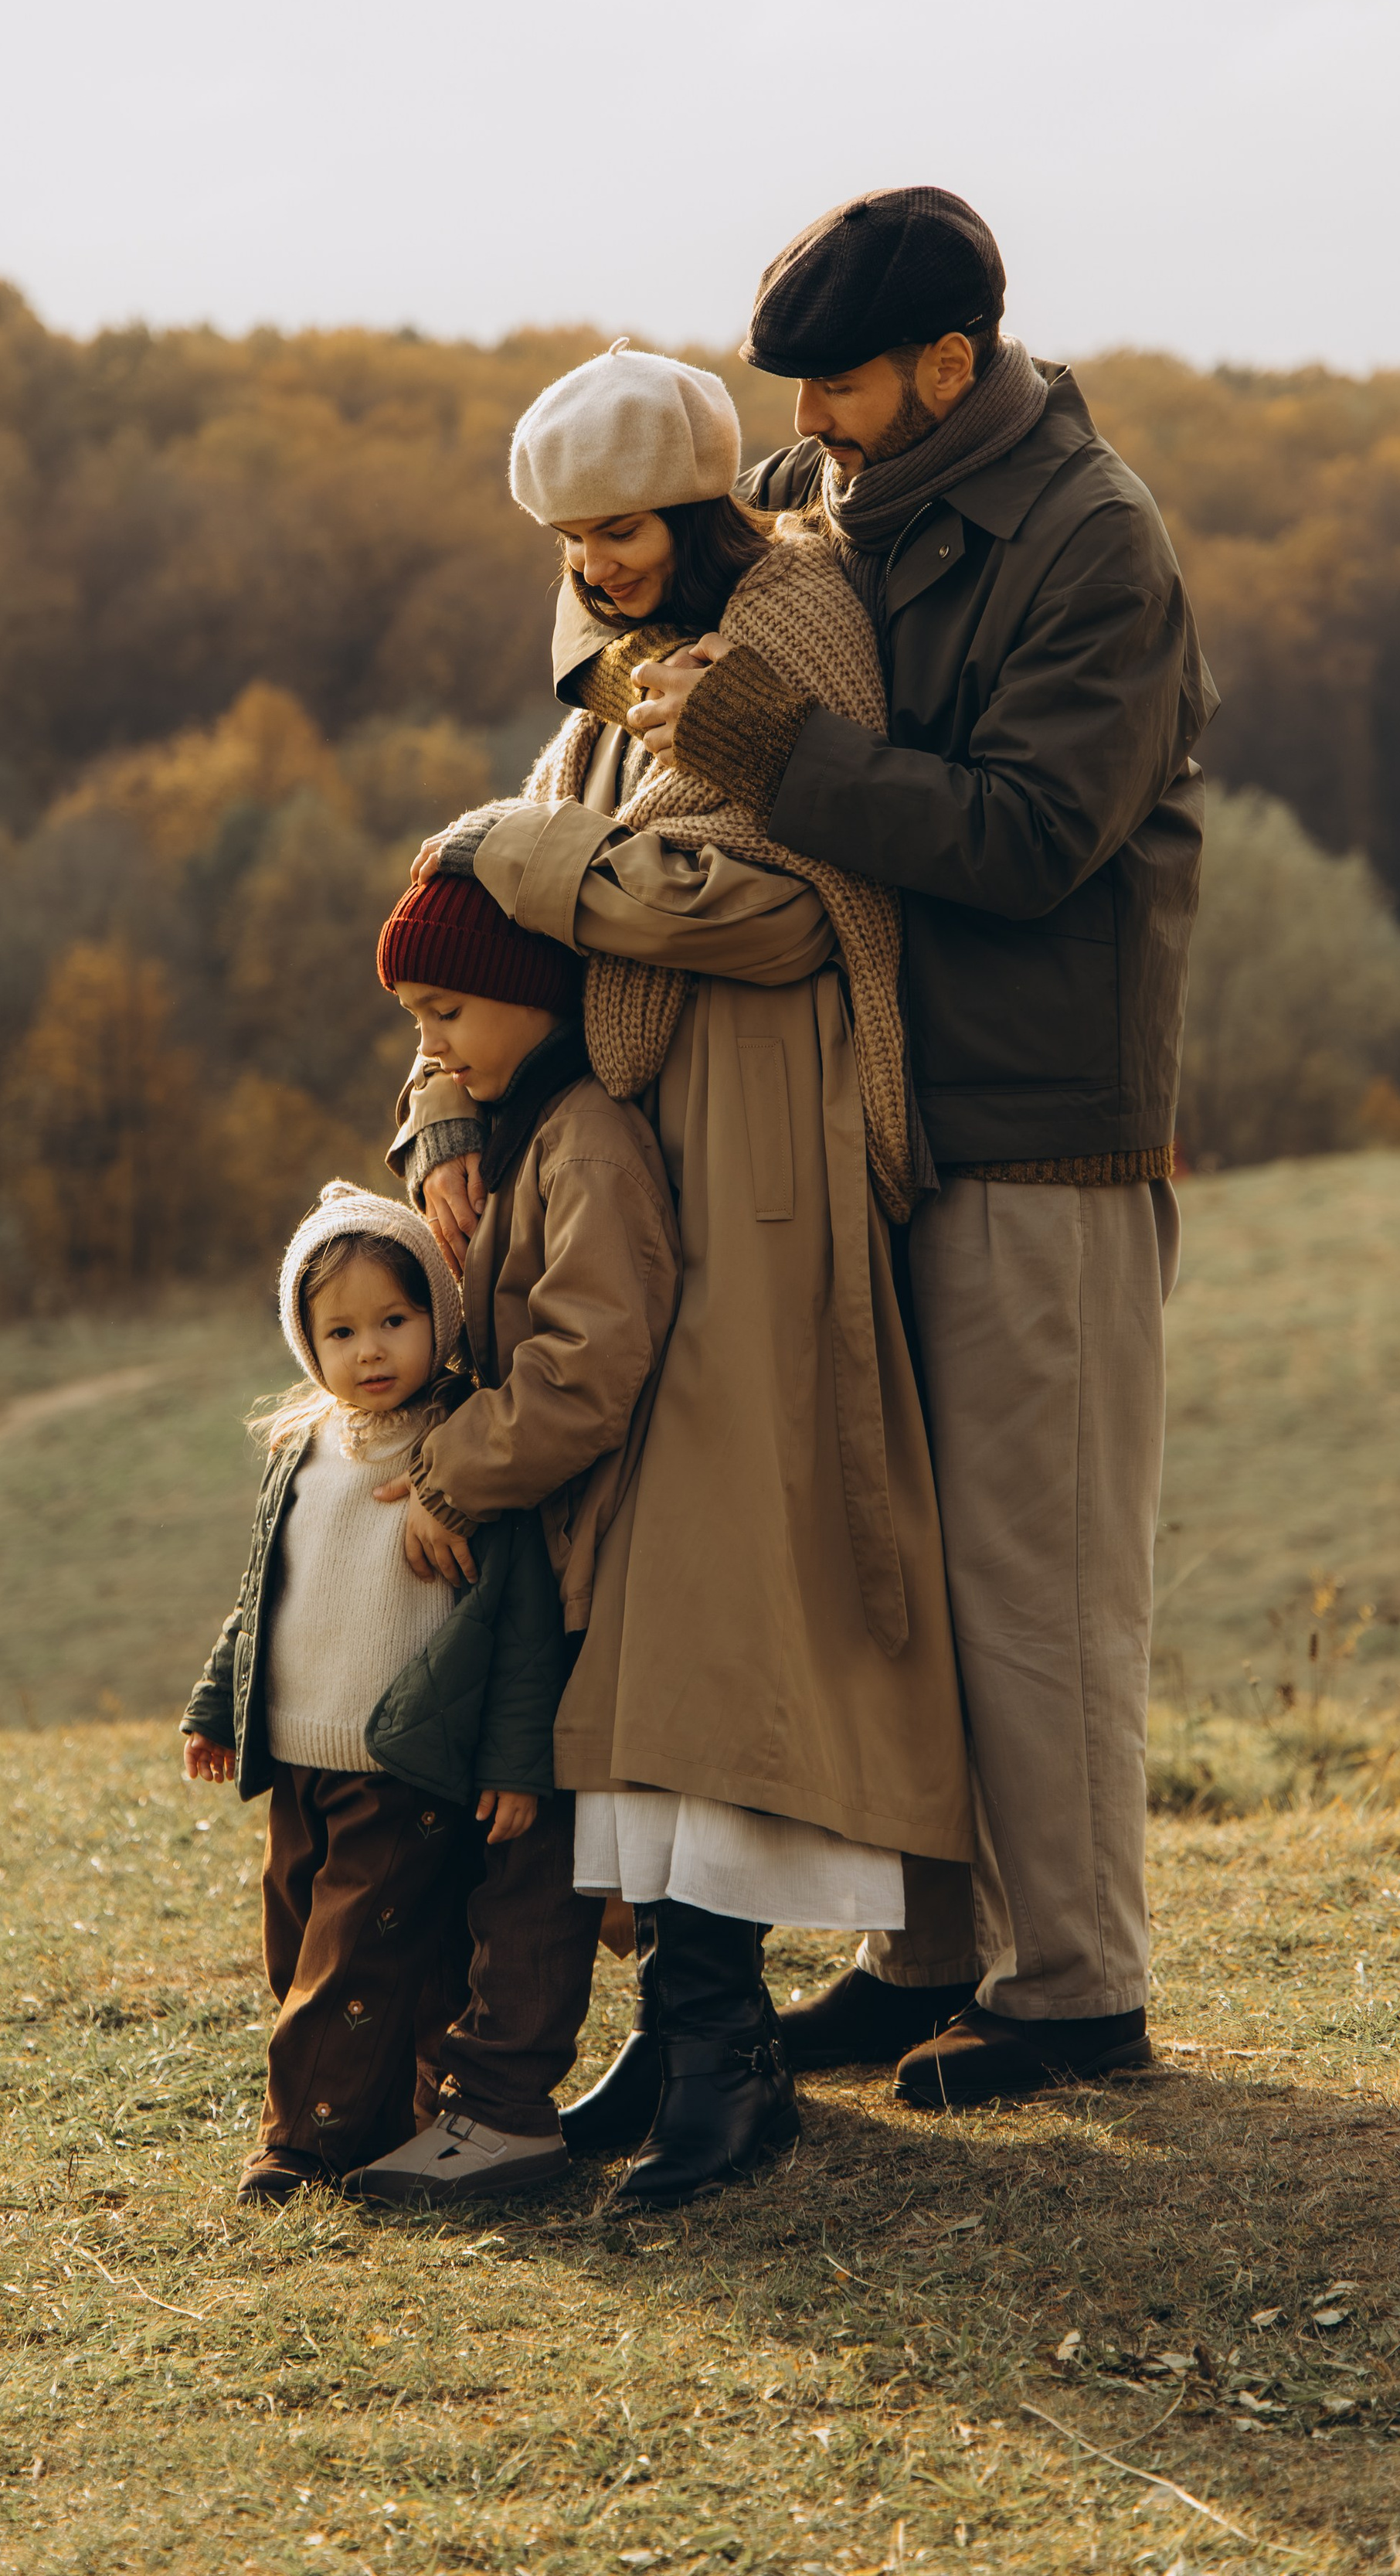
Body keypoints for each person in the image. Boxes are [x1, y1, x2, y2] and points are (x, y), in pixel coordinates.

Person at [610, 188, 1218, 2108]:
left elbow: (1037, 835)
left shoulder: (1095, 547)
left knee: (1031, 1583)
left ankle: (1073, 1991)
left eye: (846, 386)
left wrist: (767, 750)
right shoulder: (840, 481)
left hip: (1039, 1133)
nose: (814, 425)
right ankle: (924, 1952)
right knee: (902, 1563)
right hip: (877, 1113)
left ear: (949, 364)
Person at [400, 343, 972, 2209]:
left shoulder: (796, 625)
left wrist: (532, 853)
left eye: (626, 528)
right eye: (569, 536)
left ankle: (730, 2046)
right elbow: (485, 910)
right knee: (635, 1597)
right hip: (642, 1164)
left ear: (704, 507)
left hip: (769, 1160)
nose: (598, 562)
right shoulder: (598, 663)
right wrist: (446, 1111)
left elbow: (785, 902)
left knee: (722, 1586)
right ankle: (687, 2023)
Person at [356, 872, 683, 2202]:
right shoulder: (510, 1128)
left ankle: (504, 2110)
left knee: (530, 1841)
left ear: (535, 996)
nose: (427, 1046)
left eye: (447, 1011)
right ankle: (461, 2085)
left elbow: (588, 1361)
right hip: (523, 1550)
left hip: (574, 1548)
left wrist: (448, 1477)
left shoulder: (588, 1139)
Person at [182, 1186, 573, 2204]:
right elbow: (265, 1591)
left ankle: (300, 2146)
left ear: (436, 1317)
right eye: (341, 1330)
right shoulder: (304, 1449)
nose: (370, 1350)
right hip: (300, 1755)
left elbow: (522, 1629)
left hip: (406, 1762)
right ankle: (399, 2115)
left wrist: (516, 1767)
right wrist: (219, 1702)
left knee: (357, 1949)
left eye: (393, 1321)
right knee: (308, 1939)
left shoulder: (460, 1448)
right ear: (306, 1343)